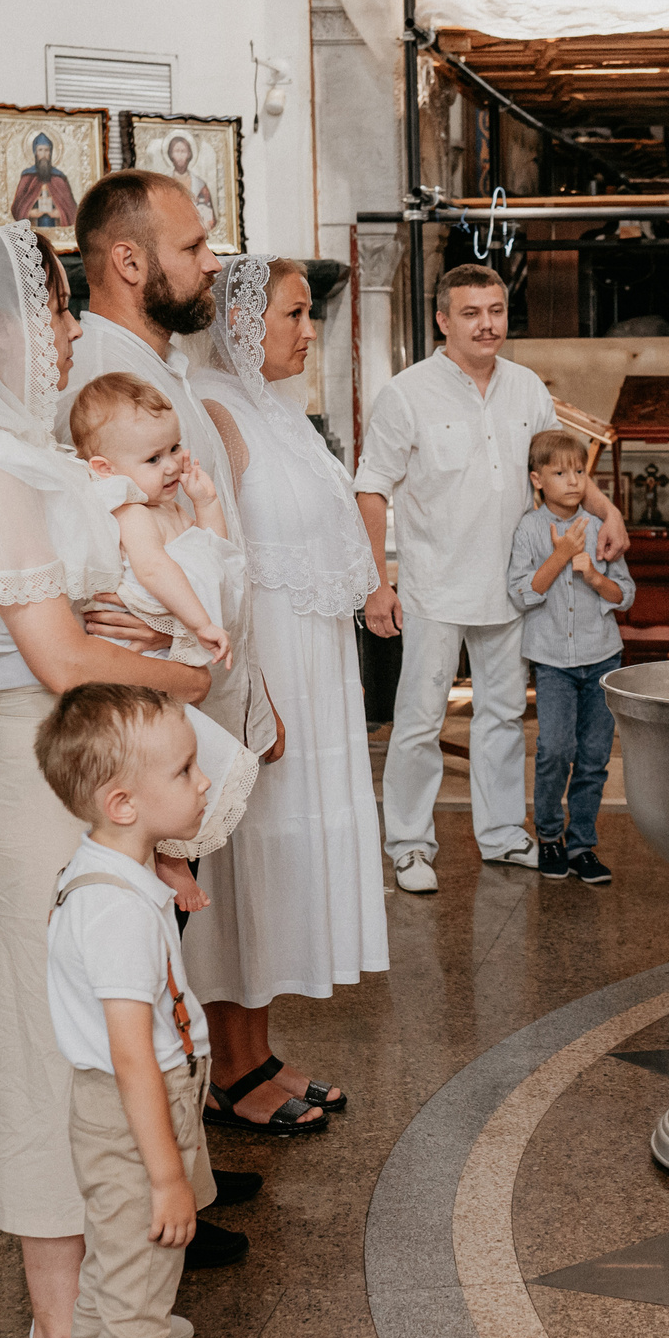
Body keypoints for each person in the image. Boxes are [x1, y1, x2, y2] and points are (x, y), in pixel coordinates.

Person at [0, 222, 223, 1338]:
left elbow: (78, 624)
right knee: (44, 1046)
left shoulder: (18, 461)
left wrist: (122, 627)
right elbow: (59, 660)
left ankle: (112, 1313)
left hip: (77, 758)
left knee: (107, 1026)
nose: (72, 334)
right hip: (40, 770)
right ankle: (60, 1335)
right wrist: (180, 674)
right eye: (60, 315)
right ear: (3, 333)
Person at [185, 255, 391, 1135]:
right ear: (241, 323)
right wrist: (250, 684)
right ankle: (230, 1067)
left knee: (287, 854)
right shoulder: (213, 410)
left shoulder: (284, 412)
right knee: (250, 853)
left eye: (309, 314)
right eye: (294, 314)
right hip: (266, 662)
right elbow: (217, 557)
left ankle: (257, 1048)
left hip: (315, 658)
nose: (309, 331)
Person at [34, 683, 252, 1338]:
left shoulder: (104, 867)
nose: (202, 784)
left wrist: (164, 864)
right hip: (138, 1119)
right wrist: (168, 1174)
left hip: (130, 1112)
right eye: (187, 769)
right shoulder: (116, 914)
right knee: (132, 1315)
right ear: (124, 801)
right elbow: (133, 1059)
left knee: (112, 1296)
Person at [356, 264, 628, 895]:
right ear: (443, 321)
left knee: (504, 717)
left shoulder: (528, 387)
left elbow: (560, 471)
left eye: (497, 310)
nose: (487, 324)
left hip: (515, 587)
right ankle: (409, 845)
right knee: (420, 721)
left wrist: (607, 509)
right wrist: (377, 582)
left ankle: (505, 837)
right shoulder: (407, 393)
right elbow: (371, 490)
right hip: (433, 586)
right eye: (472, 313)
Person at [506, 429, 635, 885]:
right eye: (561, 473)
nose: (574, 481)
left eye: (580, 471)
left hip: (603, 659)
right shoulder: (528, 529)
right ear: (537, 479)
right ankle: (549, 838)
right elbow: (522, 593)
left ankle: (582, 844)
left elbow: (625, 596)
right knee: (555, 750)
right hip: (553, 662)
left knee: (595, 755)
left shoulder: (603, 529)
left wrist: (596, 576)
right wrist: (560, 556)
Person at [70, 372, 235, 674]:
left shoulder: (167, 508)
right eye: (153, 459)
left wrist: (206, 503)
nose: (172, 465)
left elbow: (214, 556)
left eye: (174, 448)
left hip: (170, 644)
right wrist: (201, 624)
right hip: (138, 654)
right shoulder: (131, 513)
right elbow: (153, 569)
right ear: (106, 469)